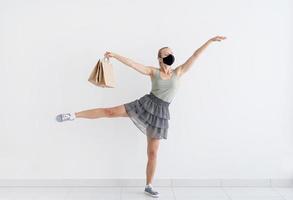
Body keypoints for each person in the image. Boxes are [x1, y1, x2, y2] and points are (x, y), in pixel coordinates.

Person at [55, 35, 226, 198]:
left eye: (171, 53)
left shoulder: (178, 71)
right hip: (146, 104)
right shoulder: (153, 71)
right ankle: (73, 115)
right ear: (160, 58)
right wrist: (115, 55)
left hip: (161, 113)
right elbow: (133, 64)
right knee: (110, 112)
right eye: (166, 53)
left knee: (152, 152)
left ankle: (148, 186)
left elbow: (195, 55)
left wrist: (209, 41)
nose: (170, 55)